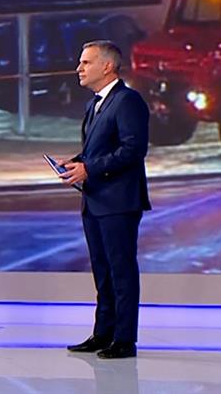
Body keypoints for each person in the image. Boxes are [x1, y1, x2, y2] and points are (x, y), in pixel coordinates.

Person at [59, 40, 151, 360]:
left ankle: (124, 339)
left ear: (107, 66)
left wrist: (90, 169)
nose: (79, 69)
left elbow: (132, 150)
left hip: (119, 201)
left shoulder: (127, 101)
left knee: (120, 270)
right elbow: (98, 150)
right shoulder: (95, 104)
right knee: (102, 270)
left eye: (86, 63)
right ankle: (103, 333)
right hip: (95, 199)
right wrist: (76, 163)